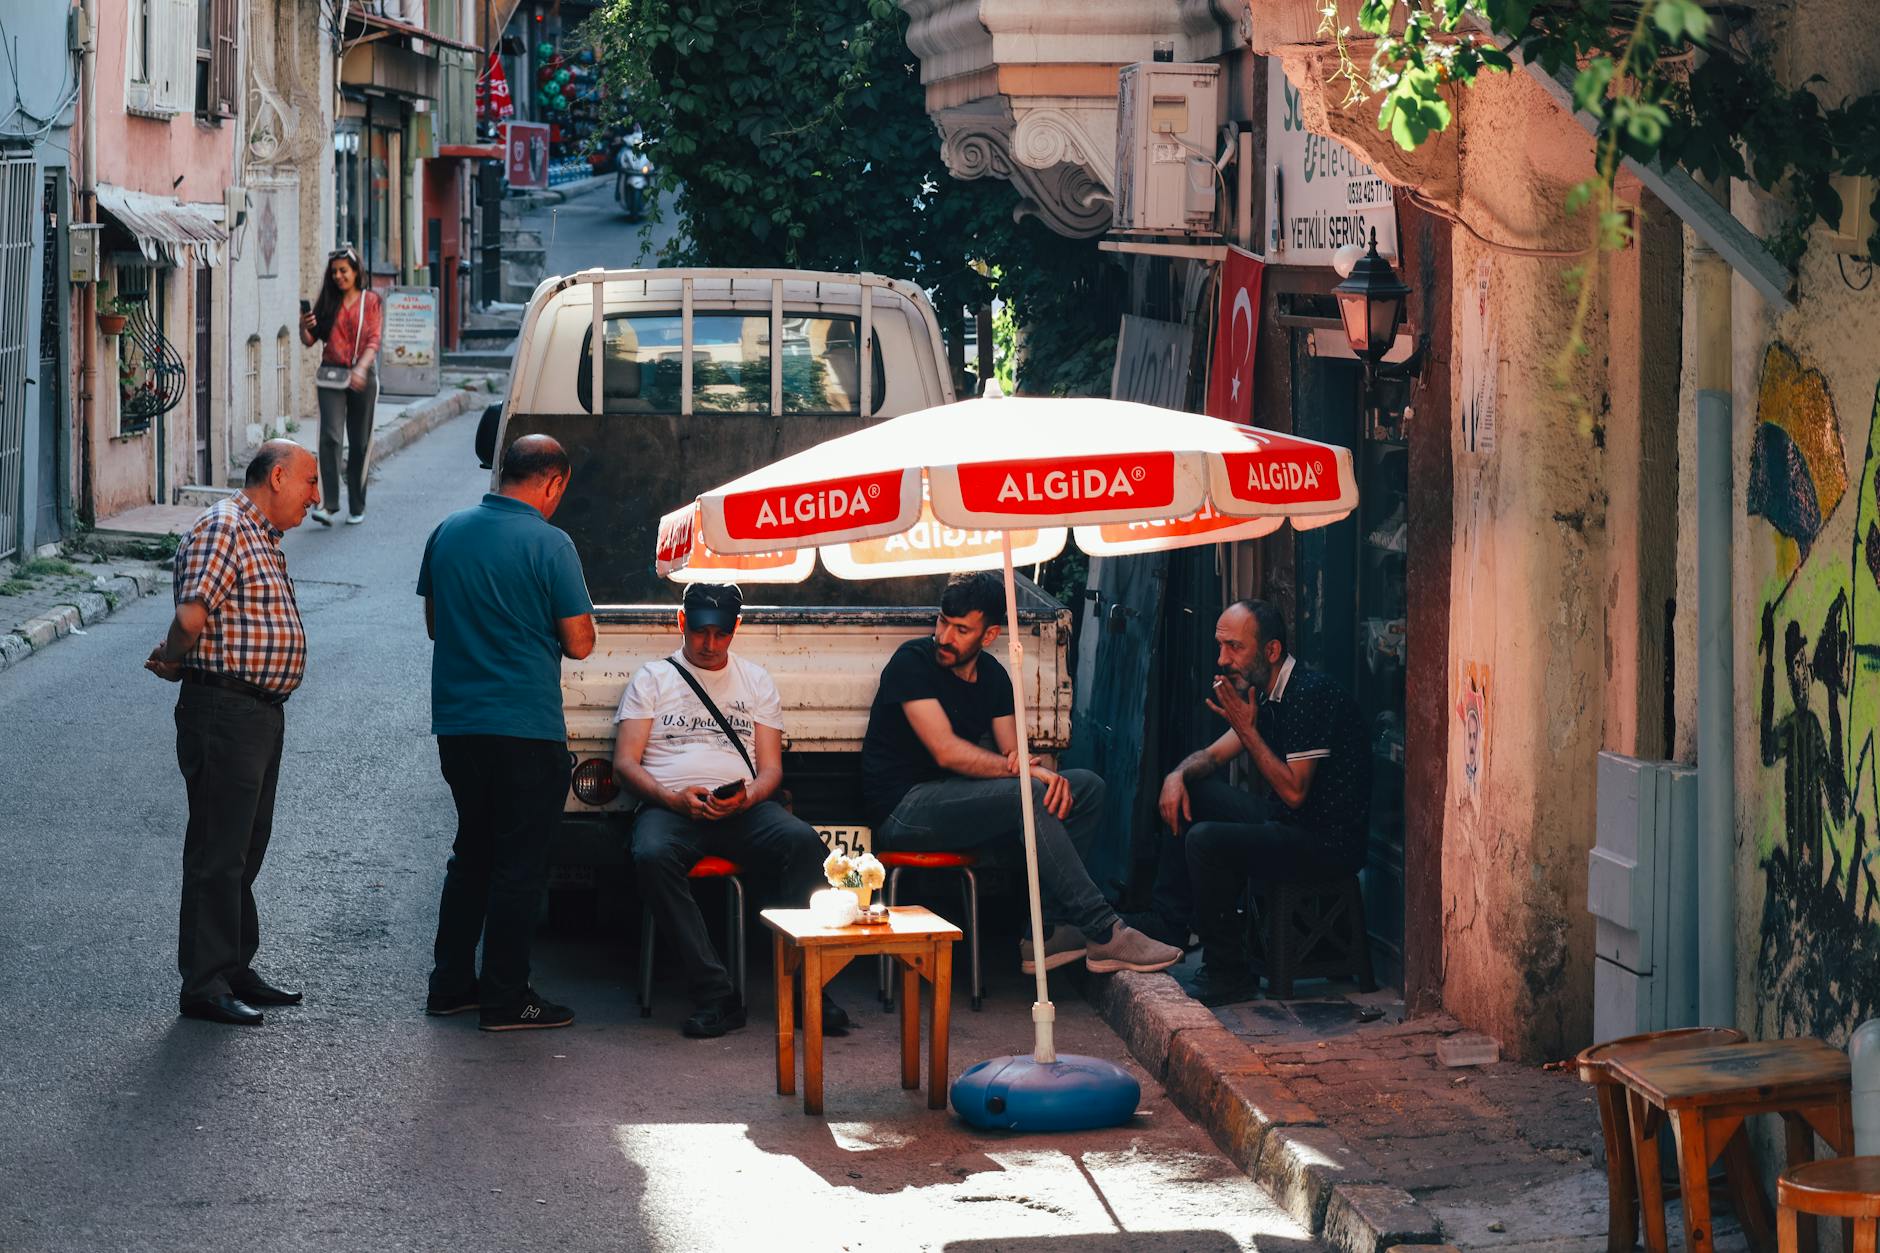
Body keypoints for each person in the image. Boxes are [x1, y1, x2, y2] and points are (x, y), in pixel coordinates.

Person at [860, 571, 1182, 975]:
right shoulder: (912, 662)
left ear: (989, 634)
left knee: (1086, 788)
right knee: (1030, 792)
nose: (944, 636)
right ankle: (1105, 931)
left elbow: (1013, 753)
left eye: (961, 629)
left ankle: (1046, 932)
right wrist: (1025, 774)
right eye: (943, 621)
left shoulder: (994, 677)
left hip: (955, 799)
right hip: (903, 808)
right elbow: (946, 751)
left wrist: (1039, 770)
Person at [613, 582, 849, 1039]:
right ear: (682, 622)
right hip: (672, 804)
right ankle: (715, 994)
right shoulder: (652, 678)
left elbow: (771, 770)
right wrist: (671, 798)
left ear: (735, 629)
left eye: (720, 633)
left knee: (804, 842)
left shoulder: (755, 680)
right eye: (700, 631)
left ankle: (810, 988)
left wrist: (749, 797)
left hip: (742, 807)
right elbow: (625, 762)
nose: (709, 643)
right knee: (651, 855)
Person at [418, 435, 596, 1031]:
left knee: (472, 852)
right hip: (525, 726)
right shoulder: (552, 543)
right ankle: (505, 996)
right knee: (520, 863)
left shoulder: (446, 531)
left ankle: (450, 986)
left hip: (458, 726)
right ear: (553, 484)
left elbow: (436, 625)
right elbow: (579, 642)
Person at [145, 440, 321, 1027]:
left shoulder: (261, 536)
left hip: (258, 712)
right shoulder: (224, 527)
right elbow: (192, 615)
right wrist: (173, 659)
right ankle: (204, 983)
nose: (316, 496)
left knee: (246, 845)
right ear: (277, 477)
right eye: (310, 482)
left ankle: (233, 967)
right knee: (218, 850)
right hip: (226, 709)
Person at [1152, 600, 1372, 1005]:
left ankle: (1228, 971)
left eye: (1234, 648)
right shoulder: (1267, 695)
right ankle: (1167, 934)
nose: (1222, 660)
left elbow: (1294, 792)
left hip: (1325, 841)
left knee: (1205, 841)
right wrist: (1176, 775)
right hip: (1288, 821)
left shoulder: (1308, 694)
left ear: (1271, 651)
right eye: (1220, 648)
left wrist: (1247, 731)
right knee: (1193, 791)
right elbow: (1214, 756)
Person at [299, 245, 382, 527]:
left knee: (359, 443)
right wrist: (303, 325)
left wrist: (361, 368)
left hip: (362, 377)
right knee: (330, 438)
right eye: (334, 272)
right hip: (331, 376)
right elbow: (310, 341)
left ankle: (357, 504)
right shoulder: (328, 302)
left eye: (343, 271)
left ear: (356, 271)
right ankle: (328, 504)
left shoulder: (370, 301)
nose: (338, 276)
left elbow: (374, 340)